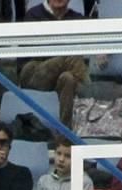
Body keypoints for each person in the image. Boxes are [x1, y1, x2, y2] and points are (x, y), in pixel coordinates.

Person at [20, 0, 87, 128]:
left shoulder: (77, 18)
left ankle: (64, 140)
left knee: (69, 79)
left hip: (60, 78)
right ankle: (89, 90)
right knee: (71, 55)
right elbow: (37, 51)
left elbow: (92, 37)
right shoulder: (33, 15)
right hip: (33, 73)